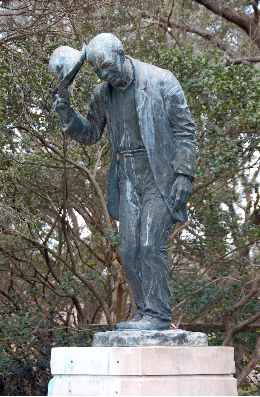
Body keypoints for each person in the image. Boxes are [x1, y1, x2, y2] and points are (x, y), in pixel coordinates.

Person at [52, 33, 196, 331]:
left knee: (149, 244)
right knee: (129, 249)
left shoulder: (160, 81)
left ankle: (158, 315)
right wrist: (66, 112)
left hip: (160, 174)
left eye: (107, 65)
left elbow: (185, 132)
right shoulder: (103, 94)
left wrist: (185, 175)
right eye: (98, 70)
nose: (105, 74)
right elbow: (90, 134)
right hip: (128, 177)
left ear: (121, 54)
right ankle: (146, 313)